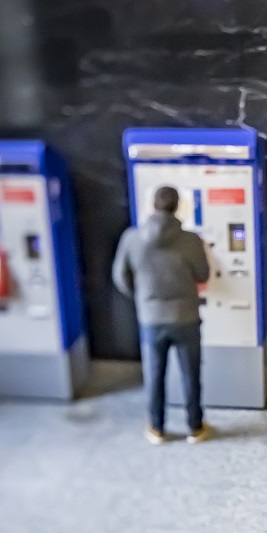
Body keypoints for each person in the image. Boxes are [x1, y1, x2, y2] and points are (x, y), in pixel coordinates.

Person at [112, 185, 213, 445]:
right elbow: (203, 274)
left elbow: (120, 277)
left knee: (155, 375)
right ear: (177, 206)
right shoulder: (191, 240)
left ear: (152, 206)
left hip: (151, 319)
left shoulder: (131, 238)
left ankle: (157, 428)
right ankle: (195, 427)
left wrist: (143, 297)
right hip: (186, 317)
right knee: (191, 374)